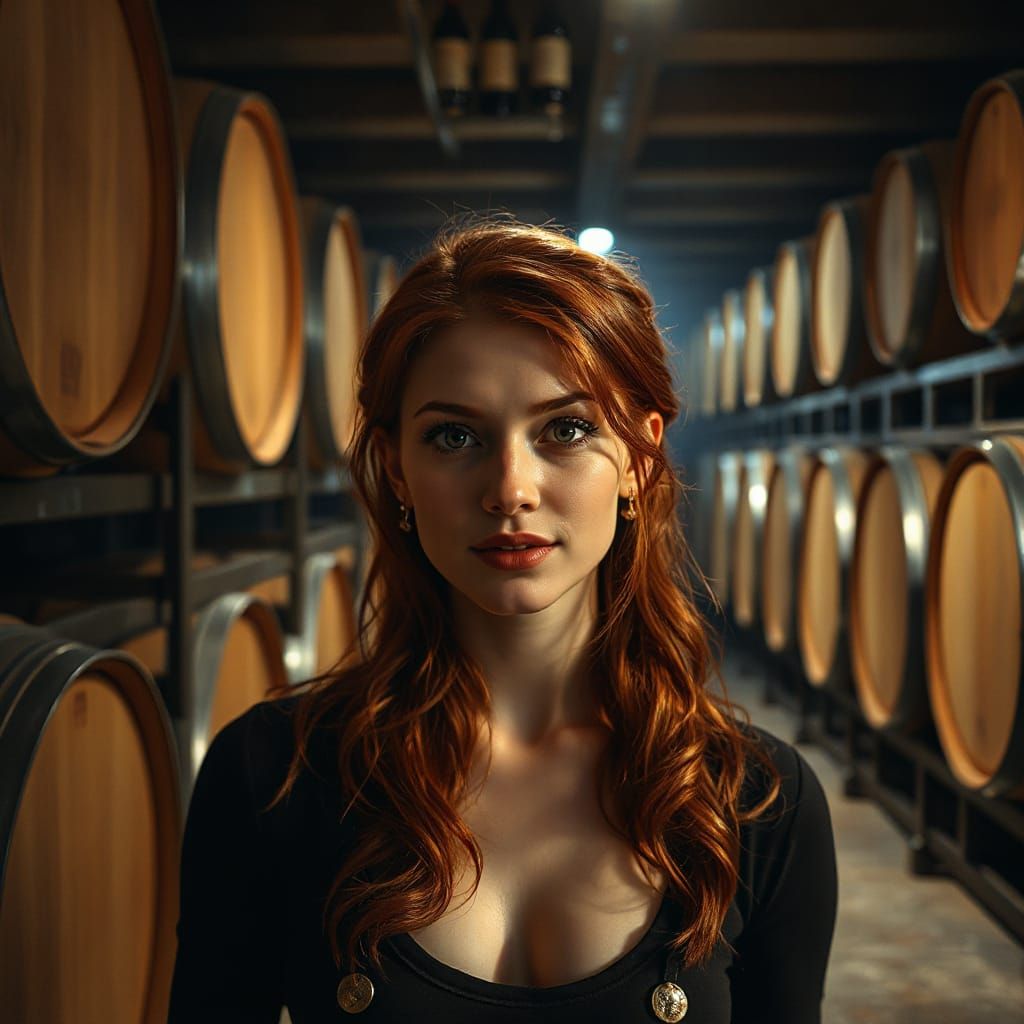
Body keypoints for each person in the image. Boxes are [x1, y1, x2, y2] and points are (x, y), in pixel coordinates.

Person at [167, 216, 837, 1023]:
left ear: (640, 458)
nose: (510, 488)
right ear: (396, 470)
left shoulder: (757, 800)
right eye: (455, 435)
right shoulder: (273, 772)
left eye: (567, 429)